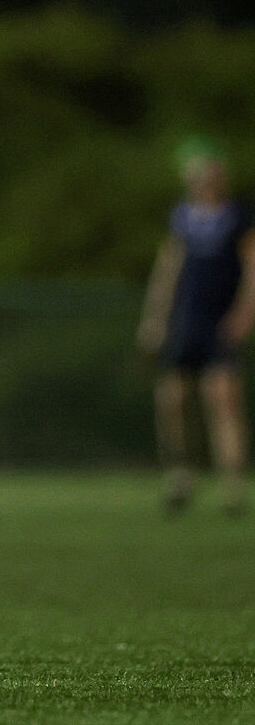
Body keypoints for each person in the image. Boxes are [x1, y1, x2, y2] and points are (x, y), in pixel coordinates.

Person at [137, 135, 255, 516]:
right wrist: (155, 317)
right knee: (173, 398)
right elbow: (168, 270)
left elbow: (253, 267)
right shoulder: (182, 217)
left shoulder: (238, 215)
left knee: (223, 399)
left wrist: (244, 313)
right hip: (185, 322)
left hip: (219, 323)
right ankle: (181, 475)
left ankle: (232, 487)